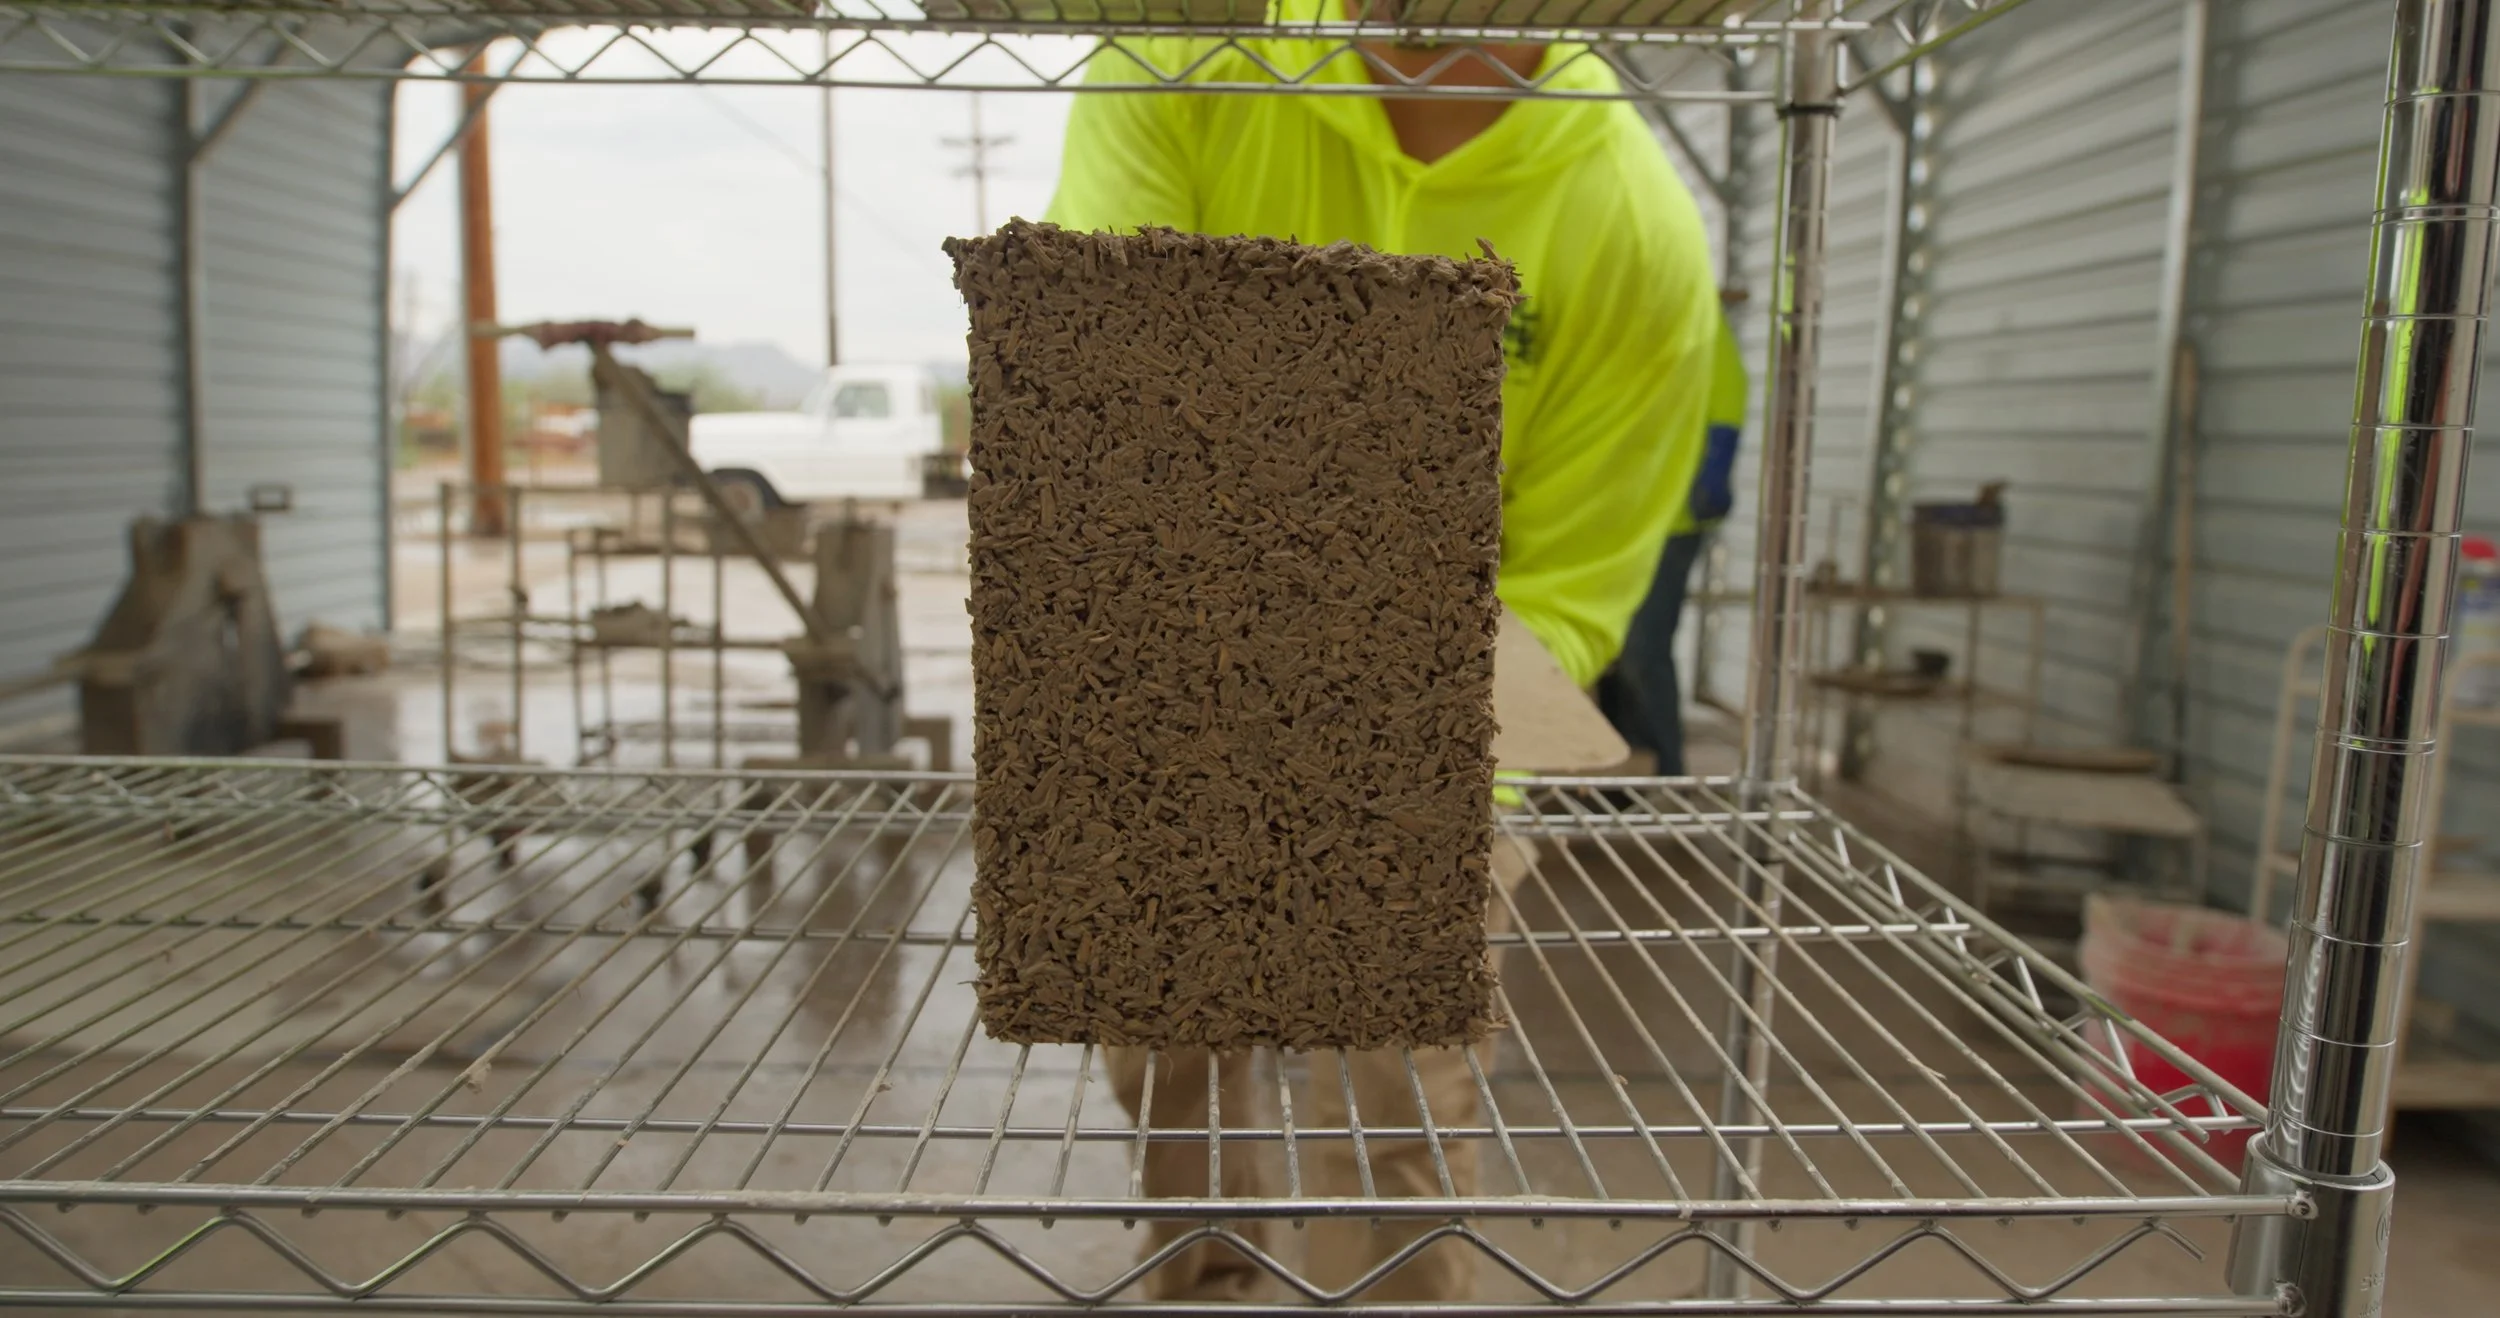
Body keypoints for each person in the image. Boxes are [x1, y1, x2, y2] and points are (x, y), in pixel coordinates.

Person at [1043, 1, 1719, 1301]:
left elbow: (1574, 583)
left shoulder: (1627, 220)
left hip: (1436, 711)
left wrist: (1391, 754)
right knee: (1171, 1062)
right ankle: (1209, 1275)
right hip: (1174, 661)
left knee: (1396, 1093)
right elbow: (1099, 391)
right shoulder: (1195, 57)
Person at [1596, 299, 1749, 774]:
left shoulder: (1696, 315)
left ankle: (1666, 770)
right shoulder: (1614, 324)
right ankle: (1620, 768)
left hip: (1675, 521)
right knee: (1612, 647)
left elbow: (1728, 393)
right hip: (1622, 518)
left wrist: (1717, 463)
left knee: (1645, 645)